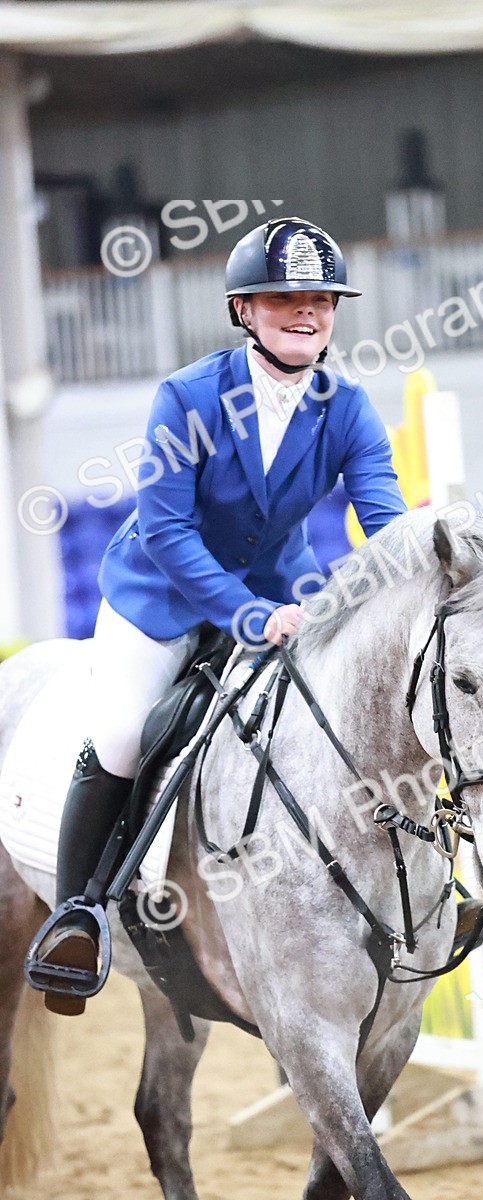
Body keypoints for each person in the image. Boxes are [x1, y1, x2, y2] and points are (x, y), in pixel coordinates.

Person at [29, 217, 407, 1013]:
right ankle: (77, 915)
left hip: (283, 590)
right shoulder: (189, 396)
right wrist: (243, 614)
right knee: (128, 734)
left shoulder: (347, 407)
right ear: (246, 311)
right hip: (160, 594)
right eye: (284, 299)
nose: (305, 313)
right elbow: (166, 529)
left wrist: (422, 555)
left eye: (320, 301)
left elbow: (383, 517)